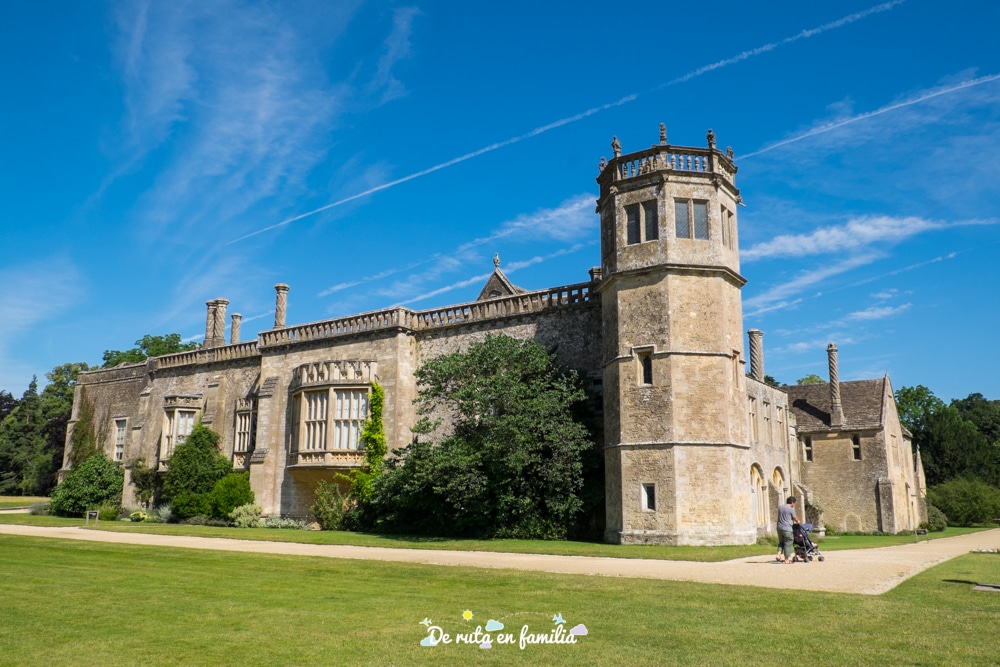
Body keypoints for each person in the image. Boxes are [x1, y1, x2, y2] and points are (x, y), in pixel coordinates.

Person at [776, 496, 799, 564]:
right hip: (787, 528)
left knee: (781, 542)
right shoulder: (791, 509)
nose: (794, 505)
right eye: (794, 503)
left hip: (779, 528)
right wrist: (798, 521)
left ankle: (778, 554)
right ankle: (786, 559)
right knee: (788, 543)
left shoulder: (780, 507)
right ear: (792, 502)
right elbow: (795, 518)